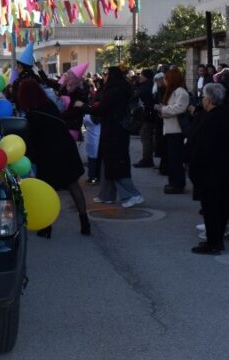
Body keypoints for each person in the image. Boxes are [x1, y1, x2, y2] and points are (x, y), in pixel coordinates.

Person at [17, 78, 90, 235]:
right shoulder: (49, 105)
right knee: (73, 185)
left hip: (48, 154)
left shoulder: (32, 114)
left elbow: (33, 140)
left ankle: (46, 227)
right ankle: (85, 223)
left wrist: (31, 156)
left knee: (47, 190)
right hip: (66, 148)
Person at [188, 83, 229, 255]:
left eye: (204, 97)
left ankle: (213, 242)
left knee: (211, 207)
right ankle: (217, 239)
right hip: (226, 167)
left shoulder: (210, 119)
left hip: (210, 169)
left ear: (210, 99)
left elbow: (200, 146)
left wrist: (192, 164)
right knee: (222, 205)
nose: (202, 100)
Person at [89, 66, 144, 208]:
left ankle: (133, 195)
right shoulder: (122, 88)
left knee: (116, 163)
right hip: (117, 129)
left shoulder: (114, 91)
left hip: (114, 131)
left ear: (112, 75)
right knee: (109, 162)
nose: (104, 76)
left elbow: (102, 108)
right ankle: (107, 195)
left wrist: (85, 107)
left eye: (106, 74)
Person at [155, 68, 190, 194]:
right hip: (170, 129)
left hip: (177, 130)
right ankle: (173, 182)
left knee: (176, 159)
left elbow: (179, 108)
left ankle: (178, 184)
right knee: (172, 159)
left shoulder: (181, 92)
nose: (165, 81)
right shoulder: (173, 91)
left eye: (166, 78)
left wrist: (163, 110)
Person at [134, 69, 156, 167]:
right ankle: (148, 158)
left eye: (141, 75)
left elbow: (137, 96)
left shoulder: (146, 87)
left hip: (148, 114)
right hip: (152, 114)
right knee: (148, 136)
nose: (140, 77)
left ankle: (147, 159)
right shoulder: (153, 85)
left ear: (145, 77)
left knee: (146, 136)